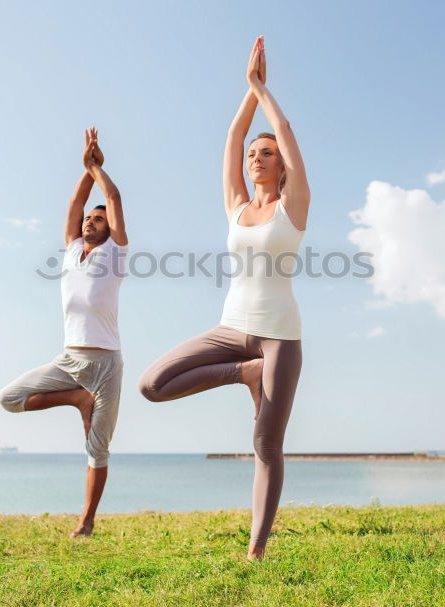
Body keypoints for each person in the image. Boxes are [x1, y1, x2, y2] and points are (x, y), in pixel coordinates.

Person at [139, 36, 309, 560]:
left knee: (266, 443)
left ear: (282, 167)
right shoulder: (236, 206)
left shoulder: (293, 206)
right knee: (152, 384)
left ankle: (256, 547)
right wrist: (246, 93)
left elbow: (284, 130)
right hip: (231, 330)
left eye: (267, 155)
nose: (257, 159)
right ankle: (244, 374)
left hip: (280, 335)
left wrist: (263, 88)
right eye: (254, 155)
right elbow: (233, 138)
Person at [0, 127, 128, 538]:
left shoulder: (116, 255)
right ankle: (76, 399)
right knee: (10, 398)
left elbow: (115, 200)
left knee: (97, 449)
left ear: (108, 230)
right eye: (88, 218)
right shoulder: (72, 251)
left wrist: (97, 168)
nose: (89, 221)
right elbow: (75, 201)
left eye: (97, 219)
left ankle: (86, 523)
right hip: (69, 361)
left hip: (106, 365)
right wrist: (85, 170)